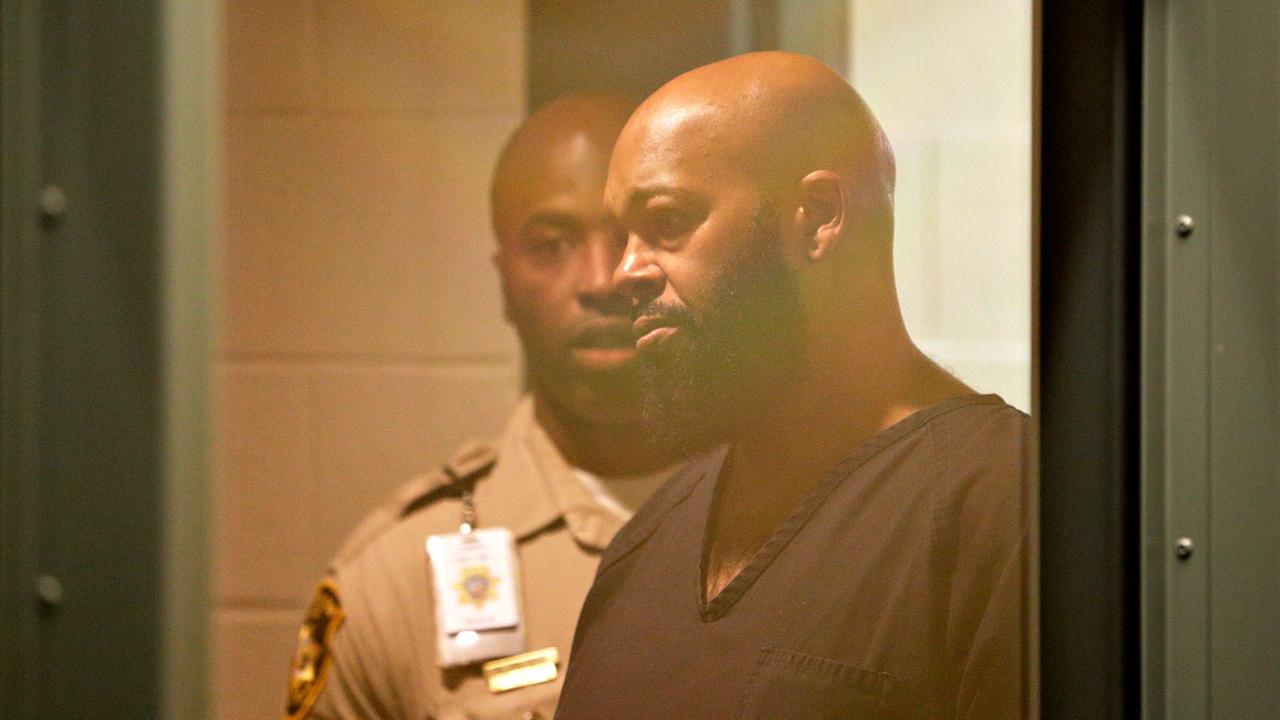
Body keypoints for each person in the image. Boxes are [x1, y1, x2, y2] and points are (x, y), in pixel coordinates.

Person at [553, 52, 1028, 720]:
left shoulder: (1006, 502)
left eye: (668, 222)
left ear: (819, 214)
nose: (623, 273)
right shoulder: (649, 541)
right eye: (622, 236)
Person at [284, 93, 682, 720]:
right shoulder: (394, 584)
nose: (602, 280)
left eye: (629, 235)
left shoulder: (809, 527)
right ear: (504, 280)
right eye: (552, 245)